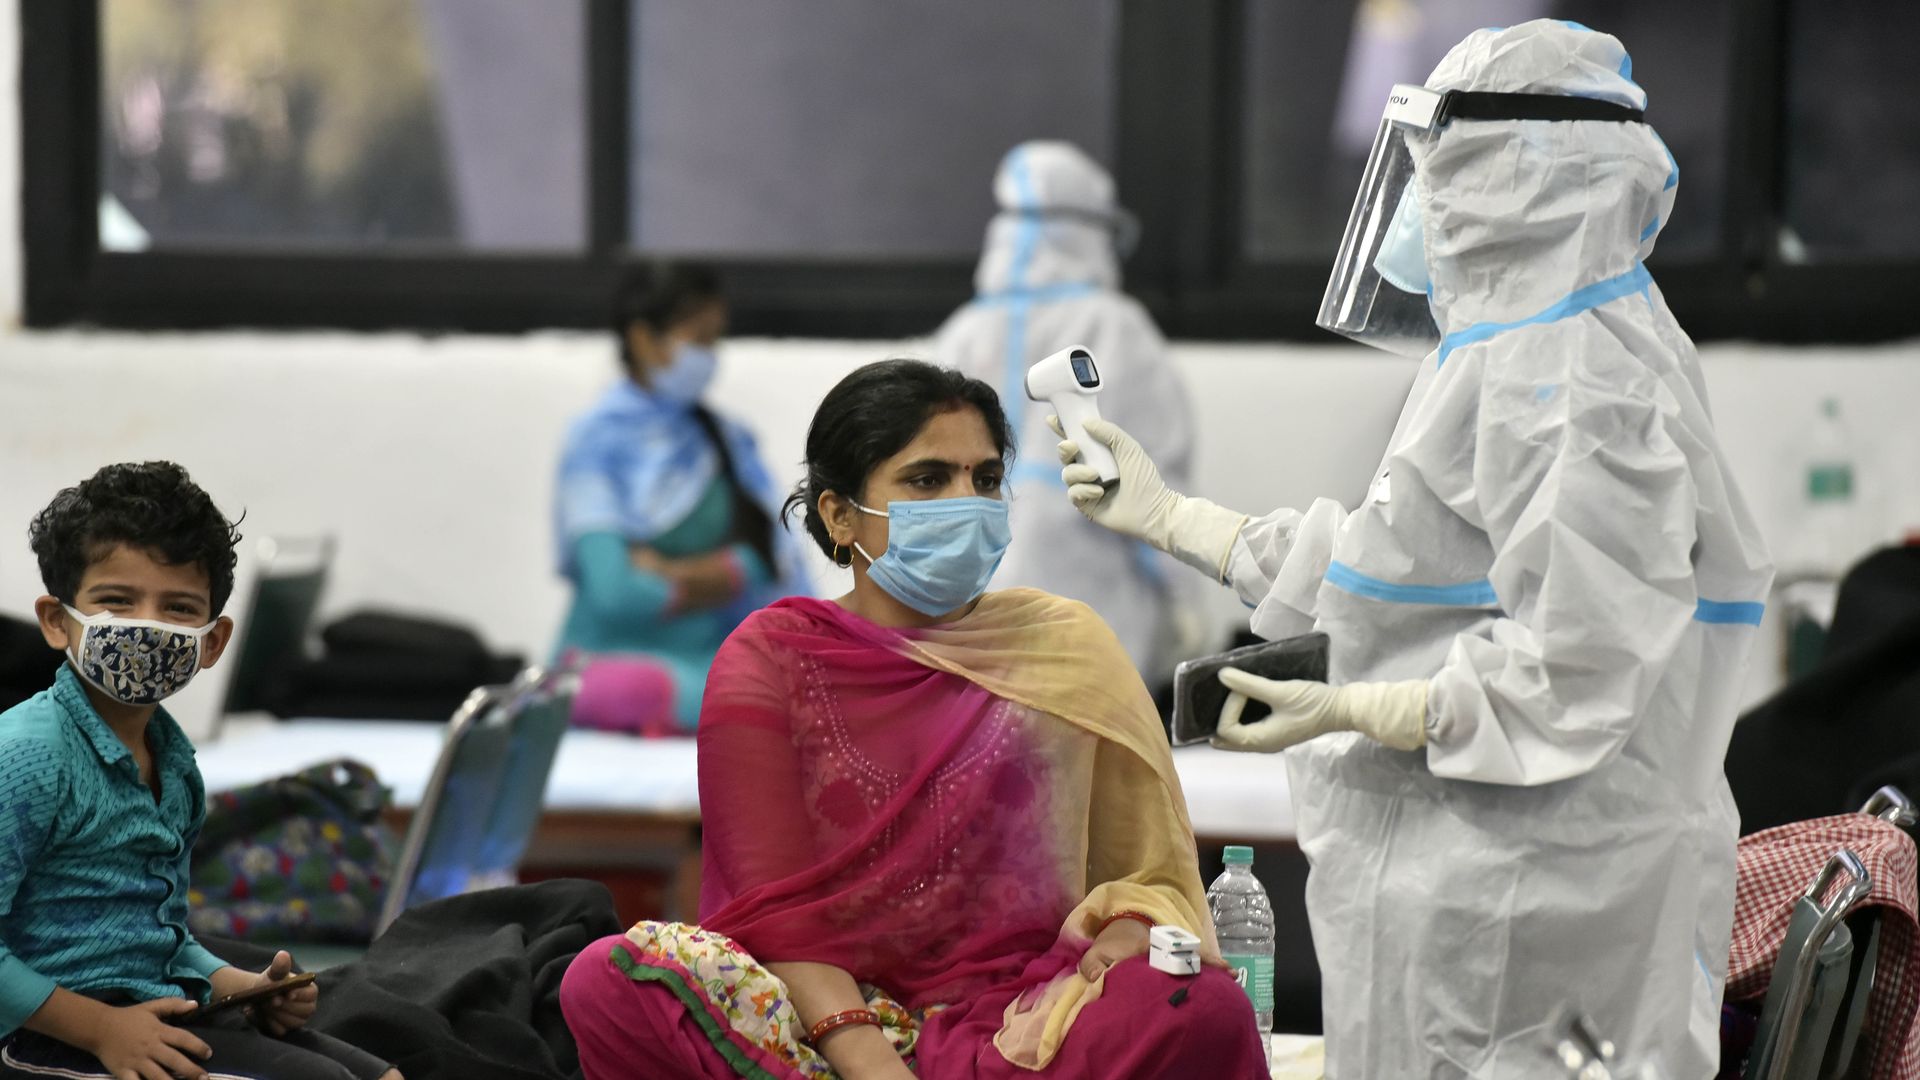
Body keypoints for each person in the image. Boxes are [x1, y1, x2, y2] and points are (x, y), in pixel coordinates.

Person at [1052, 21, 1774, 1079]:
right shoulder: (1516, 350)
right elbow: (1392, 567)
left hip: (1533, 905)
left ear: (1512, 176)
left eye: (1435, 173)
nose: (1413, 207)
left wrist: (1352, 707)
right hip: (1480, 884)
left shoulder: (1565, 379)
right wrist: (1172, 518)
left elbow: (1576, 664)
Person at [559, 360, 1265, 1079]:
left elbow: (1143, 877)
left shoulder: (1062, 647)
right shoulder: (773, 657)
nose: (966, 501)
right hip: (820, 1027)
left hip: (1022, 1021)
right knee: (610, 981)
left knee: (1200, 1006)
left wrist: (1122, 933)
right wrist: (867, 1056)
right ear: (838, 514)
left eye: (985, 480)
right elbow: (774, 915)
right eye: (928, 480)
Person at [0, 462, 400, 1080]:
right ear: (57, 621)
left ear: (212, 643)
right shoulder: (29, 755)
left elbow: (154, 934)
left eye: (179, 608)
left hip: (151, 1011)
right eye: (116, 601)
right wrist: (104, 1030)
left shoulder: (175, 761)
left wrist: (241, 985)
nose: (148, 625)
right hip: (44, 1038)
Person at [932, 140, 1199, 679]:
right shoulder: (1115, 328)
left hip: (969, 608)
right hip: (1091, 591)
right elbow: (1150, 478)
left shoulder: (962, 332)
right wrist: (1185, 592)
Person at [552, 264, 809, 735]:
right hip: (607, 664)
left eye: (716, 340)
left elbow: (766, 565)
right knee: (632, 689)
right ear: (644, 340)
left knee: (798, 688)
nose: (709, 356)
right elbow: (614, 591)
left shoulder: (727, 441)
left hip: (711, 659)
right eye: (698, 339)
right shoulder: (595, 443)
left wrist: (669, 572)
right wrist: (722, 575)